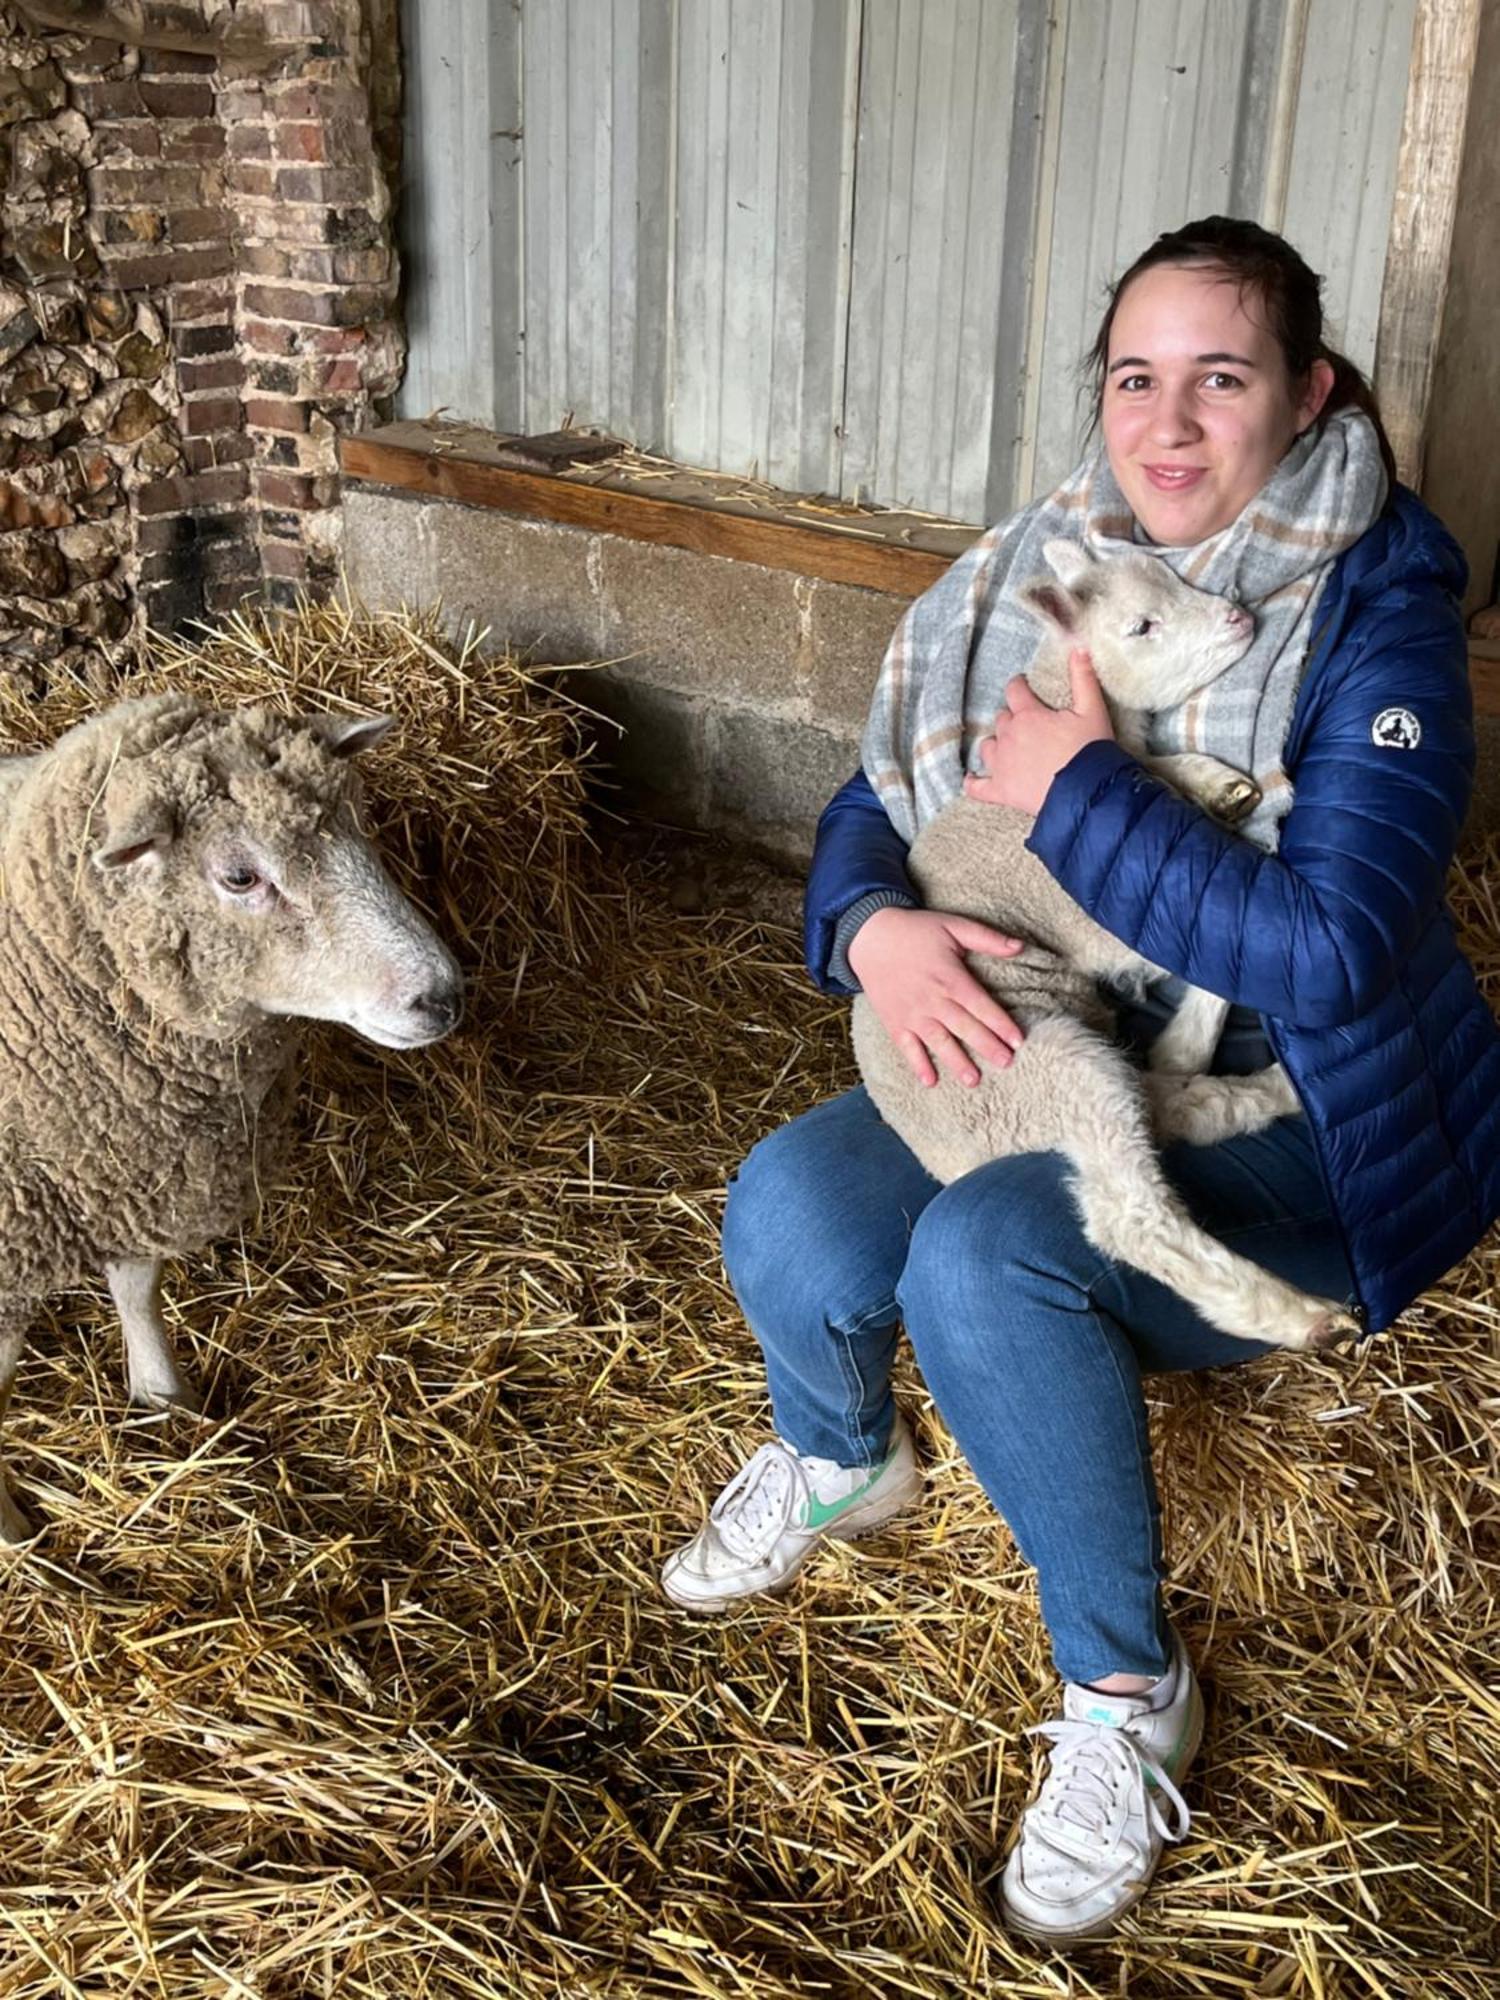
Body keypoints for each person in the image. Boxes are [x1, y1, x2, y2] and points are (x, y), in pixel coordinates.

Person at [659, 217, 1500, 1943]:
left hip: (1309, 1114)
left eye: (1222, 379)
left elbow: (1334, 950)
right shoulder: (1040, 568)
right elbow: (881, 797)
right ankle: (840, 1463)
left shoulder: (1384, 622)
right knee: (795, 1206)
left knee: (989, 1256)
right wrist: (872, 927)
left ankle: (1128, 1694)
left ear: (1307, 393)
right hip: (1072, 1035)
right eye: (1137, 378)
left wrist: (1078, 797)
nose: (1169, 424)